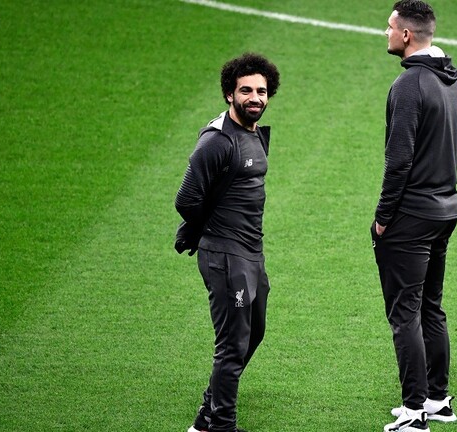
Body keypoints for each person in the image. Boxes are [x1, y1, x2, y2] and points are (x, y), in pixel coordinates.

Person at [174, 53, 280, 432]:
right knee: (232, 345)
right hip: (226, 256)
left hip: (251, 253)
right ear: (229, 94)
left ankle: (207, 415)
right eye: (246, 90)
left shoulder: (252, 132)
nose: (255, 98)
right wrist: (208, 230)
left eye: (261, 91)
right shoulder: (216, 142)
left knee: (253, 333)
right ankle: (221, 425)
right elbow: (186, 199)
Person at [371, 1, 457, 432]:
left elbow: (399, 161)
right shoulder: (450, 79)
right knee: (430, 306)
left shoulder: (409, 85)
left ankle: (413, 413)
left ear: (406, 35)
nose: (386, 32)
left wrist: (383, 217)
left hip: (411, 216)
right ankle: (437, 400)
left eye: (390, 26)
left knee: (404, 312)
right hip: (445, 209)